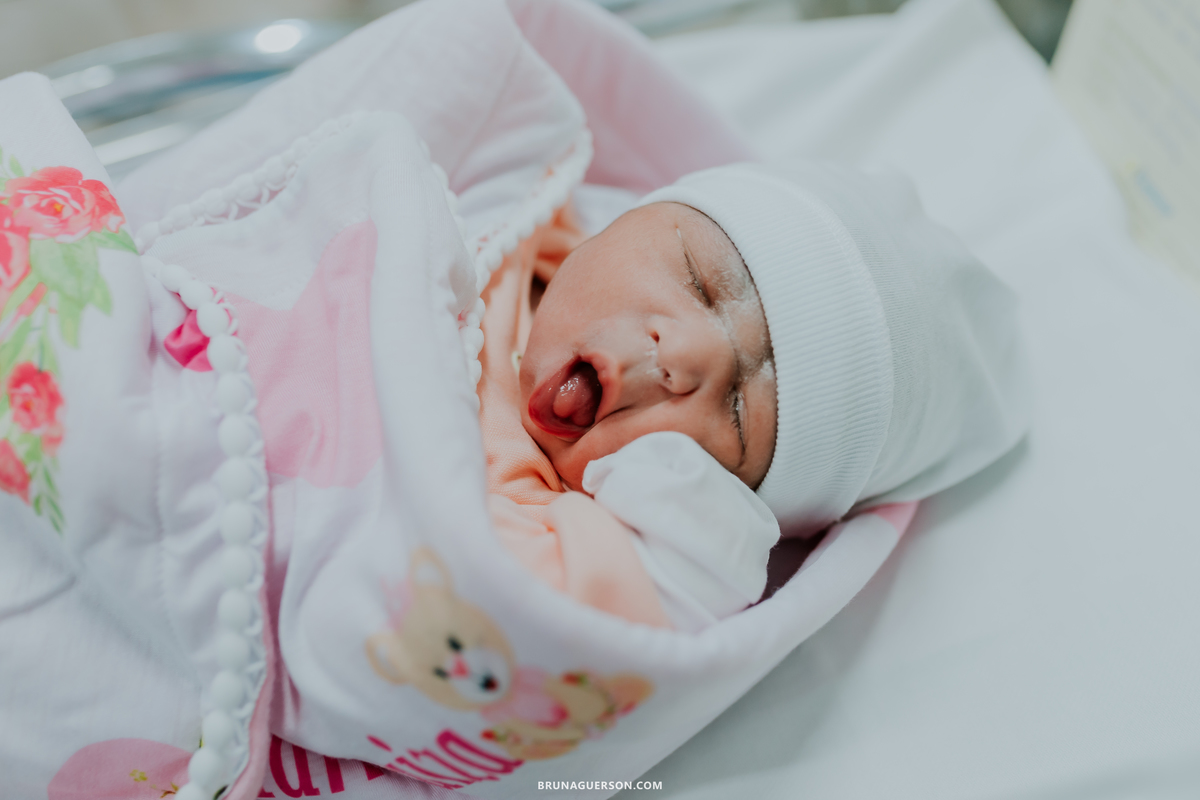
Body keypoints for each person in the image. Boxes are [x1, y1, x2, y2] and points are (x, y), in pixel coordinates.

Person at [479, 161, 1031, 631]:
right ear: (636, 214)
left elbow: (622, 614)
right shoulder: (508, 211)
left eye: (739, 414)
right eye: (699, 280)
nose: (686, 358)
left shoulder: (555, 545)